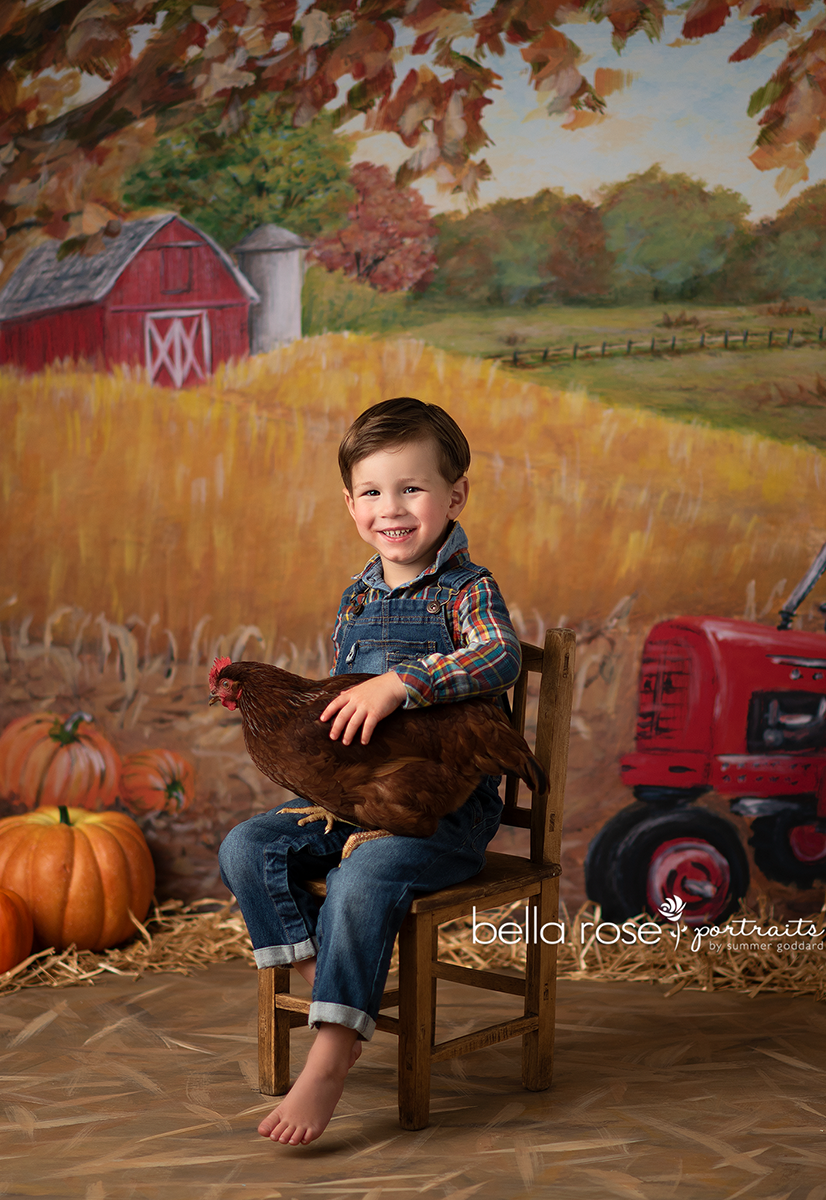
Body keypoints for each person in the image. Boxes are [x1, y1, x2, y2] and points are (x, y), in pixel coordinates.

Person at [218, 396, 521, 1145]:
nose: (392, 508)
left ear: (455, 496)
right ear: (351, 504)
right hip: (360, 800)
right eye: (372, 492)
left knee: (361, 878)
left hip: (440, 813)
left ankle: (330, 1052)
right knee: (246, 847)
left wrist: (400, 683)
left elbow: (499, 656)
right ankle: (334, 982)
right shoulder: (356, 597)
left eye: (412, 488)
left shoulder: (467, 590)